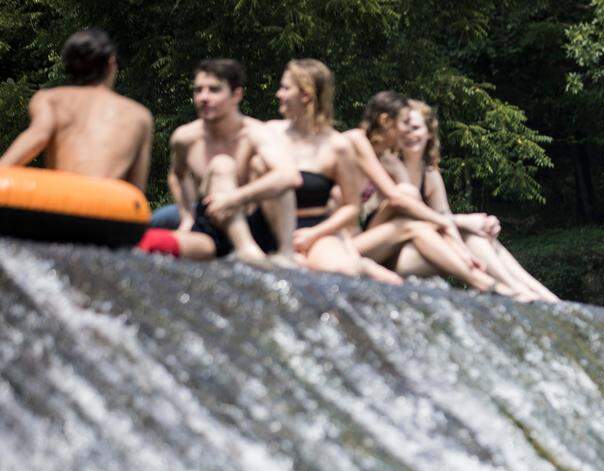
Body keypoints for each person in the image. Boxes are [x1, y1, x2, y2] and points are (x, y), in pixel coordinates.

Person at [345, 93, 517, 296]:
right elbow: (397, 199)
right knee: (410, 212)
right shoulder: (355, 140)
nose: (406, 131)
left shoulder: (389, 159)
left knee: (416, 219)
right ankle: (486, 284)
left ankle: (515, 290)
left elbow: (412, 205)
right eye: (404, 123)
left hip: (365, 239)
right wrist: (448, 223)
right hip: (342, 243)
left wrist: (456, 242)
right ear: (385, 121)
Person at [396, 99, 557, 301]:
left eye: (415, 128)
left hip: (426, 250)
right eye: (404, 128)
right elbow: (405, 223)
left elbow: (444, 219)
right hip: (399, 257)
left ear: (429, 133)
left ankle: (544, 297)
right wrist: (465, 221)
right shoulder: (390, 168)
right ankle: (515, 291)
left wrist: (478, 228)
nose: (409, 134)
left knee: (478, 234)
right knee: (467, 231)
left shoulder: (429, 173)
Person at [266, 59, 400, 282]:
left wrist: (313, 235)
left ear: (305, 95)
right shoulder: (269, 133)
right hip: (271, 227)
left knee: (341, 272)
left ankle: (360, 266)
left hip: (313, 229)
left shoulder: (337, 146)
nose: (279, 94)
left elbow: (351, 207)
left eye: (285, 88)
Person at [166, 58, 302, 262]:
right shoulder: (185, 138)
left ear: (236, 95)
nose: (204, 97)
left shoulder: (256, 133)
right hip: (211, 224)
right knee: (222, 165)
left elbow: (290, 176)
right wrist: (186, 216)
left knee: (262, 168)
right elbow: (177, 175)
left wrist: (235, 198)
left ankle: (285, 252)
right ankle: (248, 252)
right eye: (198, 90)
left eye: (214, 90)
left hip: (253, 219)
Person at [0, 28, 152, 190]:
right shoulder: (139, 115)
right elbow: (136, 189)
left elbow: (38, 136)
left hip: (65, 196)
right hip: (109, 200)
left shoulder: (51, 99)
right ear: (111, 63)